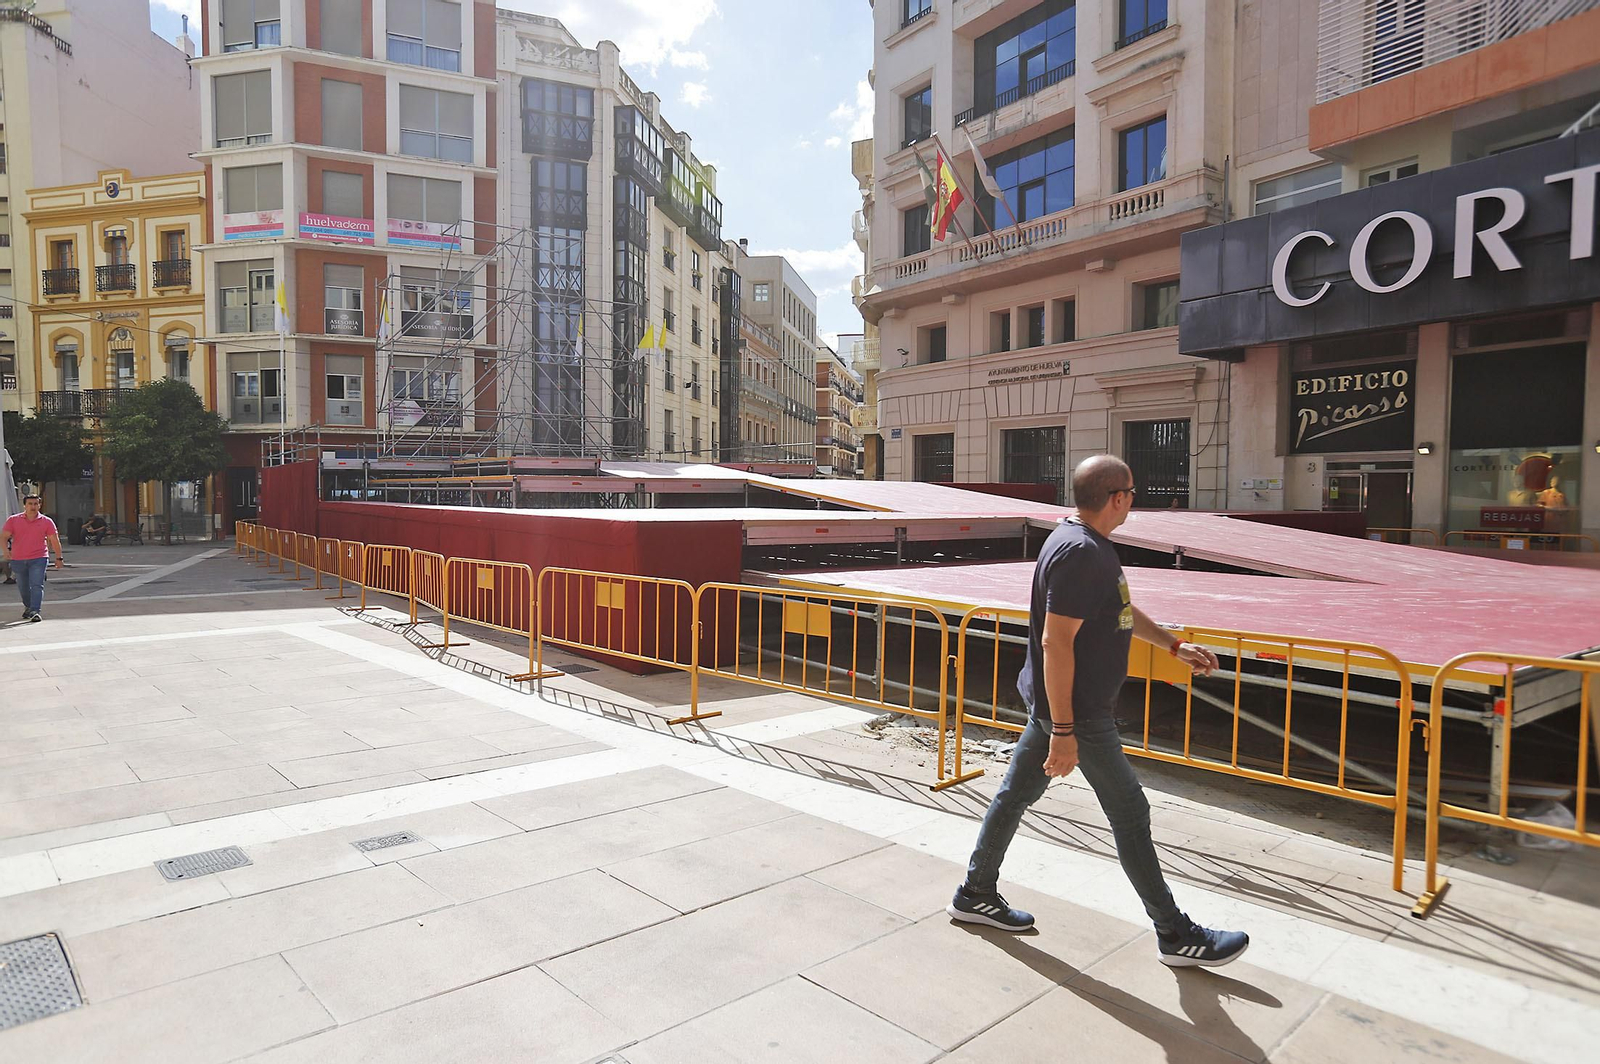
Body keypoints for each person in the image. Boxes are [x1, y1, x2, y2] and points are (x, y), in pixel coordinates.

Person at [947, 455, 1251, 968]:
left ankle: (975, 892)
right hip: (1080, 714)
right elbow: (1056, 642)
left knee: (1013, 796)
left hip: (1065, 709)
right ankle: (1175, 933)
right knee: (1131, 814)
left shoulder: (1079, 542)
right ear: (1118, 497)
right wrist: (1064, 729)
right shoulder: (1081, 552)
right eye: (1133, 491)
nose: (1135, 499)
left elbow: (1119, 614)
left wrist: (1175, 646)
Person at [1, 494, 64, 622]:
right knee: (23, 587)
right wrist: (5, 550)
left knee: (37, 585)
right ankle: (29, 606)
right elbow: (3, 537)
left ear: (39, 505)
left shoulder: (47, 521)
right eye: (30, 504)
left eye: (36, 504)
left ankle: (35, 610)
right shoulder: (13, 520)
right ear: (24, 505)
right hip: (18, 558)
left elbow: (54, 540)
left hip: (39, 558)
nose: (33, 507)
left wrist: (59, 557)